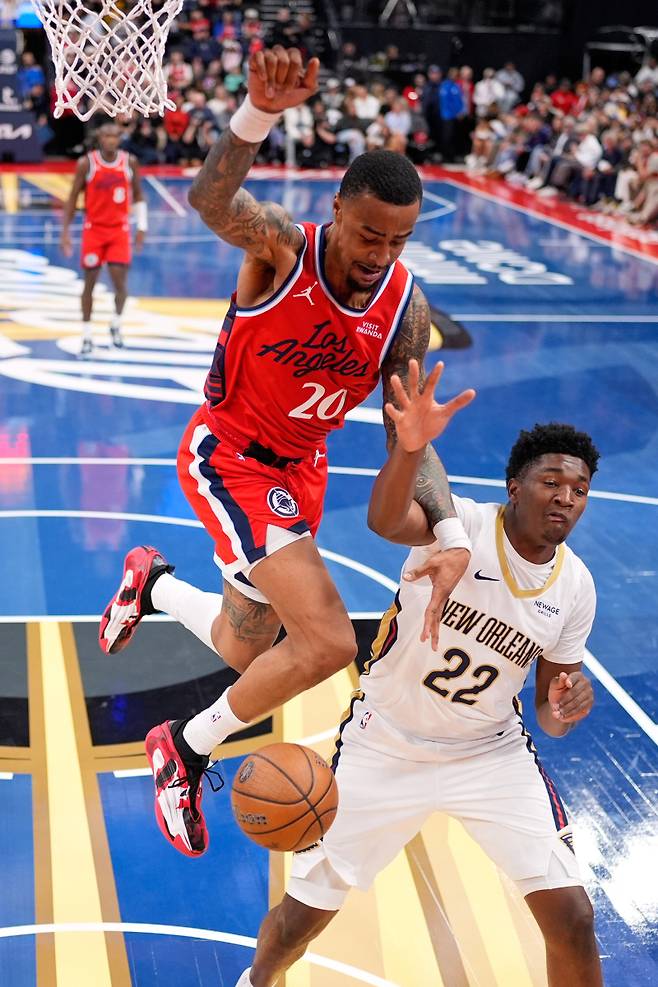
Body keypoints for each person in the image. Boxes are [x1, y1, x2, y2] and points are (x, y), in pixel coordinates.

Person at [98, 46, 476, 858]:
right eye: (369, 231)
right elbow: (208, 196)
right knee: (330, 640)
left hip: (301, 472)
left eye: (399, 241)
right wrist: (257, 114)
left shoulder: (404, 310)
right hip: (231, 454)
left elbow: (408, 437)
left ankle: (152, 583)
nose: (380, 252)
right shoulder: (281, 249)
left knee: (245, 647)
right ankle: (184, 749)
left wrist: (448, 534)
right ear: (337, 207)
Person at [233, 369, 603, 987]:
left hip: (490, 756)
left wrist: (565, 709)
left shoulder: (576, 587)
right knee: (301, 919)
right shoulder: (458, 524)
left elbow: (548, 711)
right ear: (515, 487)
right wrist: (408, 449)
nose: (567, 496)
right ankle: (255, 982)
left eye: (580, 488)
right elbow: (384, 519)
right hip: (386, 742)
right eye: (552, 481)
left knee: (573, 919)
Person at [60, 121, 147, 356]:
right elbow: (71, 198)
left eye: (115, 136)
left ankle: (116, 326)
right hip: (94, 231)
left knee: (121, 287)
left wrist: (142, 226)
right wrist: (65, 232)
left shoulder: (130, 162)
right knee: (89, 284)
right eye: (106, 136)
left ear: (120, 138)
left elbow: (139, 196)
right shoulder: (86, 163)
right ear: (100, 138)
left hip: (119, 231)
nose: (111, 140)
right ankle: (87, 335)